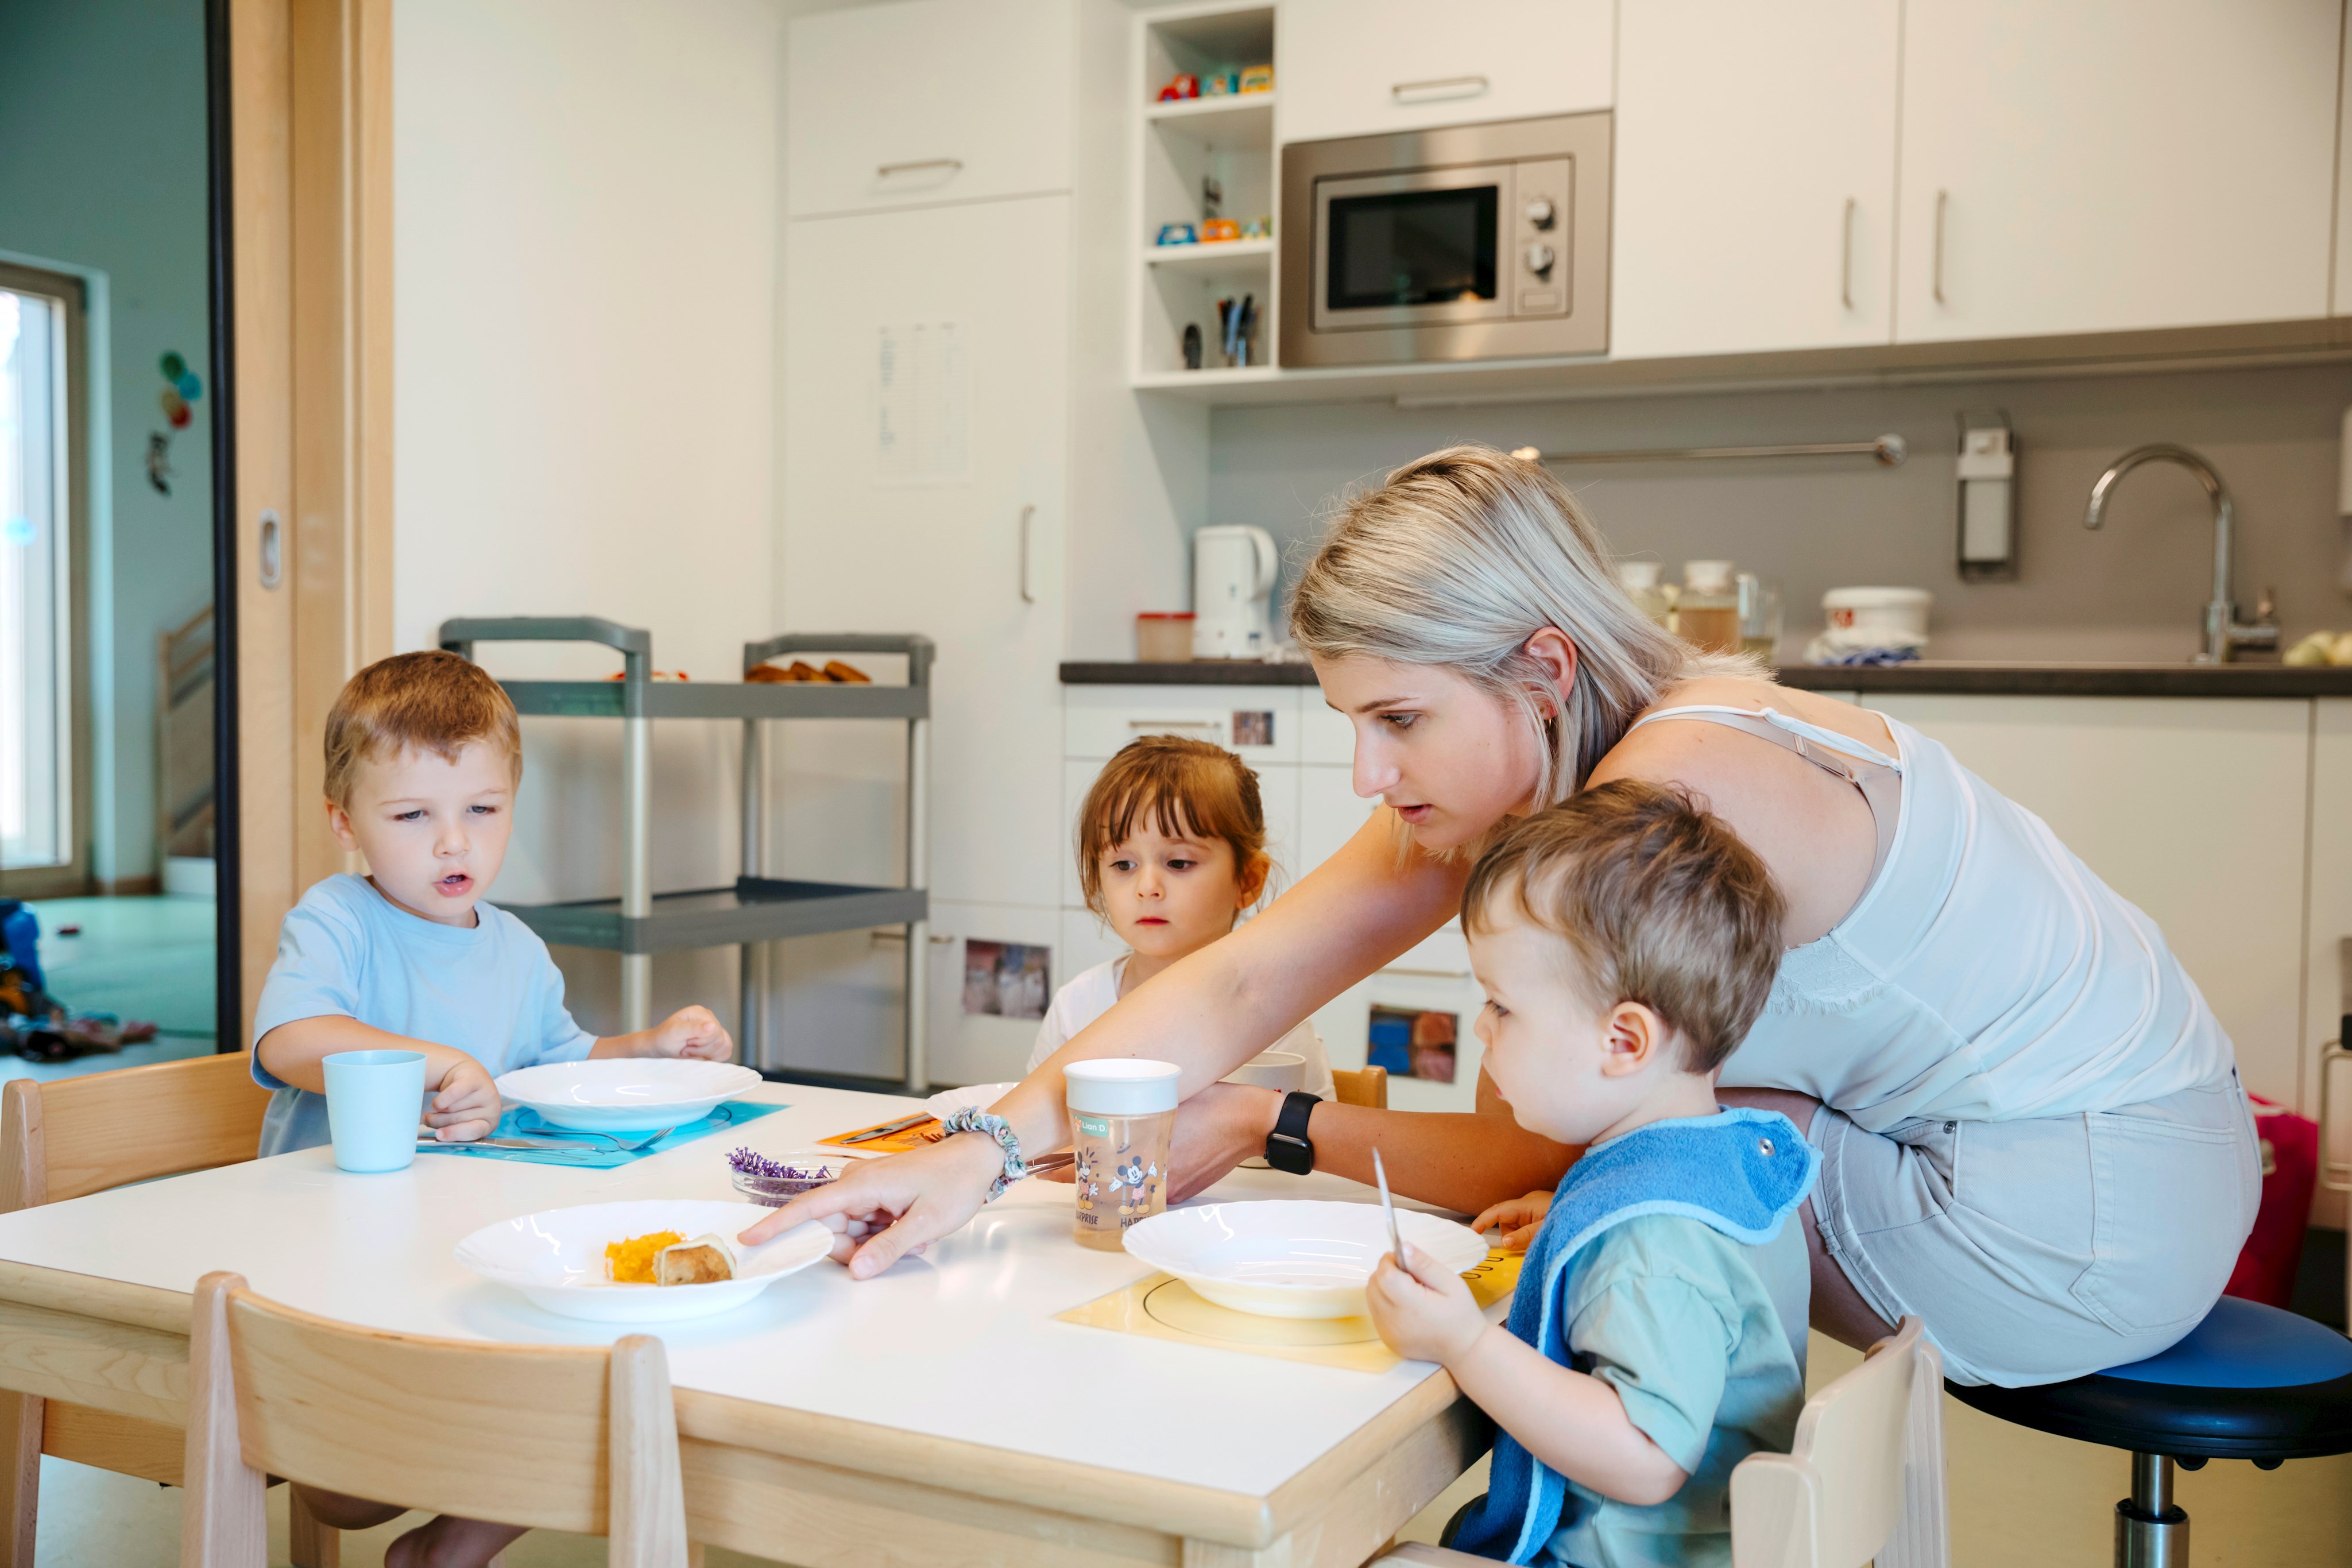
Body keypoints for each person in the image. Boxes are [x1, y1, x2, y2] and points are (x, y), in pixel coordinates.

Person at [746, 444, 2258, 1389]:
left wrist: (1275, 1132)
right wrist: (986, 1144)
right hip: (2171, 1144)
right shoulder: (1586, 751)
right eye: (1352, 719)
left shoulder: (1663, 807)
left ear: (1541, 668)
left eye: (1399, 717)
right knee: (1619, 1138)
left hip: (2076, 1220)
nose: (1368, 769)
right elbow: (1246, 974)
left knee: (1621, 1172)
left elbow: (1520, 1152)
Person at [252, 649, 733, 1568]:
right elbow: (287, 1039)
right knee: (349, 1489)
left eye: (483, 809)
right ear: (344, 821)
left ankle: (451, 1546)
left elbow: (557, 1061)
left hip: (470, 1249)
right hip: (342, 1267)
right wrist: (431, 1062)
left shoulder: (513, 943)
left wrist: (649, 1046)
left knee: (614, 1378)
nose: (454, 843)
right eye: (412, 815)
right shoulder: (339, 918)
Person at [1368, 781, 1811, 1568]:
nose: (1481, 1027)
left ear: (1624, 1041)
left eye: (1503, 1006)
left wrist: (1463, 1342)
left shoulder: (1651, 1241)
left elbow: (1645, 1453)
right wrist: (1573, 1215)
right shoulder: (1712, 1164)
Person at [1029, 734, 1333, 1099]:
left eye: (1178, 862)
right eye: (1123, 864)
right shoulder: (1075, 1007)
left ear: (1248, 880)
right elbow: (1034, 1145)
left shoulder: (1276, 1020)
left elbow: (1314, 1149)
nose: (1147, 887)